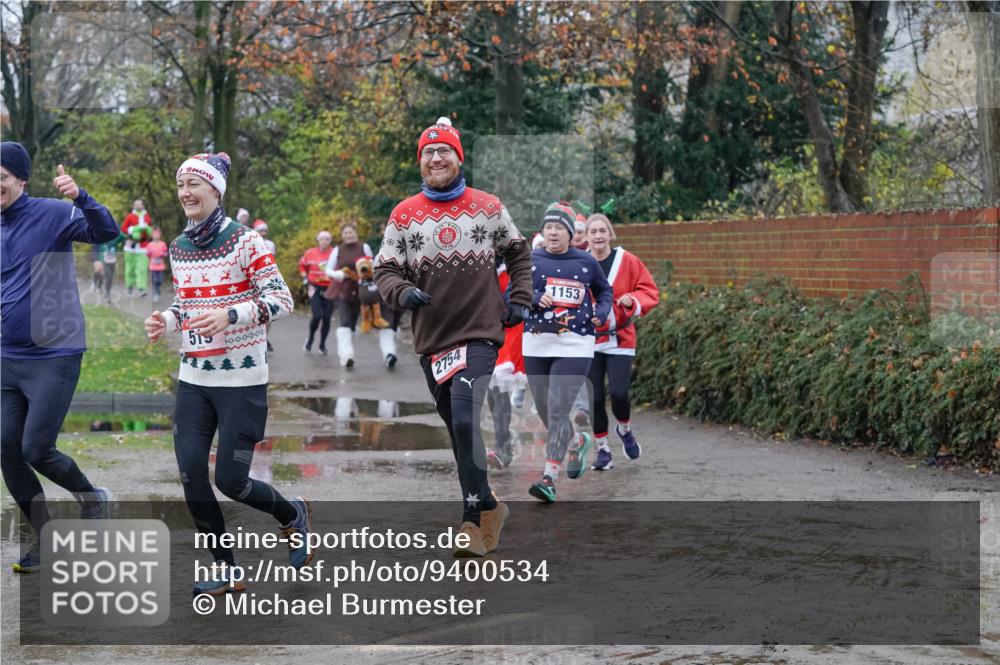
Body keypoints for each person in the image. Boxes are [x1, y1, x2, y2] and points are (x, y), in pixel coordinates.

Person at [144, 152, 308, 595]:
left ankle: (291, 514)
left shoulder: (246, 242)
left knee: (231, 482)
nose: (184, 193)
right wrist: (167, 320)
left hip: (241, 381)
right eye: (181, 186)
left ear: (215, 191)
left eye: (193, 184)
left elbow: (283, 300)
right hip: (194, 379)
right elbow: (187, 306)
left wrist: (231, 315)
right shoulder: (179, 247)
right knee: (191, 475)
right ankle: (227, 567)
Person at [375, 116, 532, 557]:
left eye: (444, 150)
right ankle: (488, 507)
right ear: (420, 162)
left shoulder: (487, 206)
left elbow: (520, 252)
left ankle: (469, 522)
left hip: (480, 332)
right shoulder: (403, 215)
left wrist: (520, 297)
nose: (436, 157)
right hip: (433, 340)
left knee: (465, 421)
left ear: (458, 157)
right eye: (428, 152)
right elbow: (384, 268)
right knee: (459, 430)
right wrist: (402, 292)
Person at [1, 142, 120, 573]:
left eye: (1, 179)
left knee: (36, 448)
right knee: (6, 450)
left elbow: (107, 233)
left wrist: (81, 197)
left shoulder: (54, 213)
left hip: (55, 352)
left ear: (21, 180)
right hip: (7, 356)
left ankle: (93, 498)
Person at [522, 202, 612, 503]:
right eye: (548, 227)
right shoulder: (530, 259)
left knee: (558, 407)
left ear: (571, 233)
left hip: (576, 342)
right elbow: (513, 294)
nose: (552, 232)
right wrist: (534, 297)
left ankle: (549, 476)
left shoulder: (586, 261)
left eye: (559, 228)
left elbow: (604, 291)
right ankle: (576, 441)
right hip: (536, 341)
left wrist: (601, 311)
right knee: (546, 411)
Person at [580, 213, 659, 470]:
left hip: (620, 338)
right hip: (588, 340)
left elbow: (648, 290)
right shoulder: (579, 262)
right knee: (595, 398)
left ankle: (624, 429)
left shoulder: (627, 260)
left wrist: (632, 301)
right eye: (594, 232)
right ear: (587, 237)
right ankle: (603, 449)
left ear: (610, 234)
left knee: (619, 392)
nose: (599, 236)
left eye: (603, 231)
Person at [486, 260, 527, 469]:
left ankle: (503, 447)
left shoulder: (510, 269)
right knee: (492, 392)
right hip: (483, 330)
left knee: (499, 386)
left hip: (508, 330)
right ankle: (502, 442)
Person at [323, 223, 376, 368]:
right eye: (345, 233)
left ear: (355, 233)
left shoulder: (364, 247)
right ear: (342, 235)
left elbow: (372, 266)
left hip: (359, 289)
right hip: (341, 289)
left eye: (350, 232)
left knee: (353, 323)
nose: (348, 235)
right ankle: (346, 355)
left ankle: (346, 350)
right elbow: (327, 269)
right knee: (345, 321)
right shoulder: (337, 249)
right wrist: (338, 274)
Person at [298, 231, 334, 354]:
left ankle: (322, 345)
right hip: (314, 288)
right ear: (318, 240)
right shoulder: (310, 253)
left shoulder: (334, 253)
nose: (324, 241)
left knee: (327, 318)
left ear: (330, 241)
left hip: (330, 288)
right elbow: (302, 266)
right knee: (317, 316)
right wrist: (305, 278)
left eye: (327, 239)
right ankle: (310, 339)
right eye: (322, 239)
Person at [253, 219, 277, 351]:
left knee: (268, 311)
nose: (263, 233)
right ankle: (256, 337)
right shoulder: (251, 243)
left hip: (267, 281)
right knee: (255, 309)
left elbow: (272, 262)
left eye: (264, 230)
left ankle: (265, 338)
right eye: (260, 231)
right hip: (253, 281)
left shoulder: (270, 244)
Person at [121, 199, 152, 298]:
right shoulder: (130, 216)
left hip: (143, 246)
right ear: (133, 205)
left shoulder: (147, 216)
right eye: (136, 204)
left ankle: (142, 289)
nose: (138, 206)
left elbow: (150, 230)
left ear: (143, 205)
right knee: (130, 268)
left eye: (139, 204)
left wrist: (147, 229)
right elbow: (123, 228)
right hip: (131, 246)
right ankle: (129, 288)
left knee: (142, 268)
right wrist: (134, 229)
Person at [145, 227, 169, 303]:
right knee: (155, 280)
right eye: (154, 235)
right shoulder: (149, 245)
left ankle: (158, 290)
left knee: (160, 280)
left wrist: (163, 254)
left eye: (157, 235)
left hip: (161, 266)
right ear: (152, 236)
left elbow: (166, 253)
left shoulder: (163, 244)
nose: (156, 236)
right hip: (153, 266)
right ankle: (156, 294)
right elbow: (147, 254)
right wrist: (149, 253)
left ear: (159, 235)